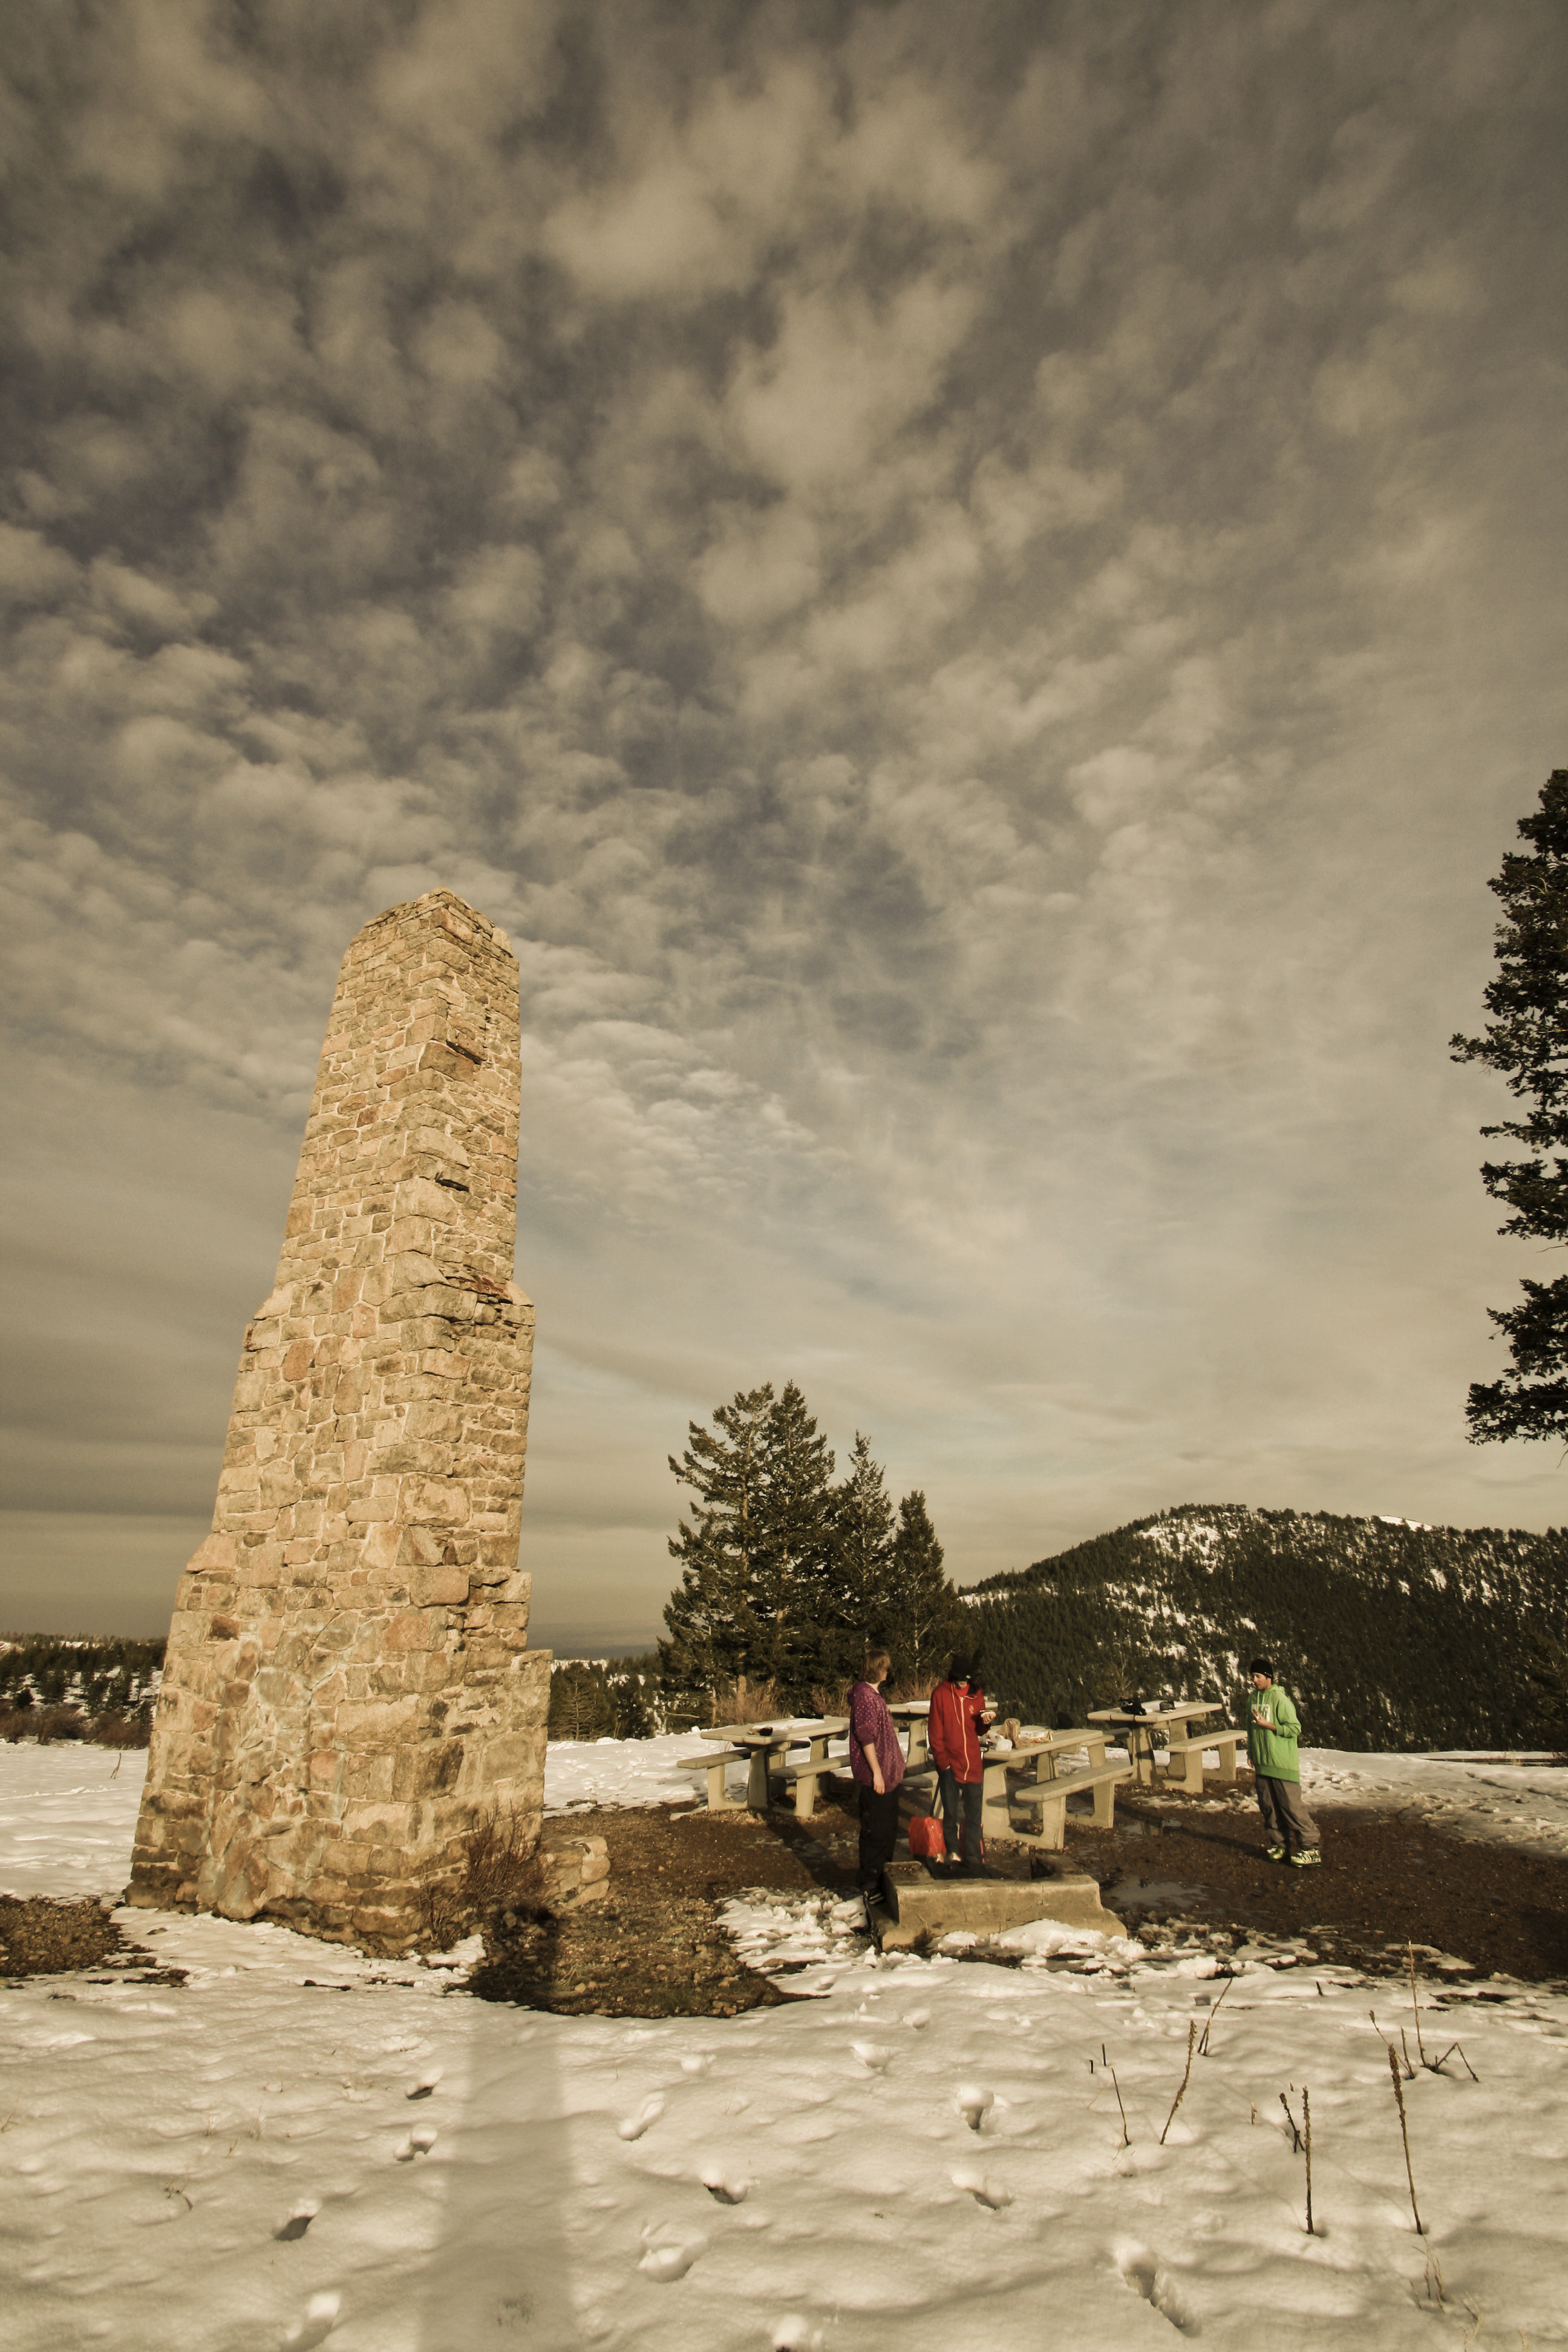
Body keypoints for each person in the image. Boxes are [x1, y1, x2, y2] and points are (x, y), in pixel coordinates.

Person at [1246, 1656, 1321, 1867]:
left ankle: (1311, 1848)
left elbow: (1294, 1728)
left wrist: (1270, 1726)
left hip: (1282, 1764)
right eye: (1253, 1676)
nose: (1254, 1680)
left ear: (1268, 1677)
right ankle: (1280, 1844)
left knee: (1291, 1807)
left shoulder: (1280, 1700)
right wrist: (1252, 1752)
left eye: (1258, 1676)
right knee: (1269, 1808)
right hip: (1262, 1763)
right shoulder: (1251, 1700)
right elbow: (1250, 1730)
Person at [848, 1649, 906, 1905]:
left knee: (888, 1827)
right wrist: (877, 1773)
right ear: (877, 1669)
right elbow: (866, 1737)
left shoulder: (875, 1695)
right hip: (876, 1776)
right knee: (876, 1830)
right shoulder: (865, 1698)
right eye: (885, 1667)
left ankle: (883, 1879)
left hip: (888, 1774)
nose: (887, 1671)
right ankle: (870, 1885)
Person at [928, 1653, 995, 1868]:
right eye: (959, 1679)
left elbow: (979, 1729)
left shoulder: (977, 1695)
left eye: (966, 1679)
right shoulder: (940, 1694)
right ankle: (953, 1853)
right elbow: (935, 1732)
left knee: (974, 1814)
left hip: (973, 1763)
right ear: (953, 1676)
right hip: (950, 1763)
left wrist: (986, 1723)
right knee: (950, 1814)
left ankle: (974, 1857)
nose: (963, 1683)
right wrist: (943, 1763)